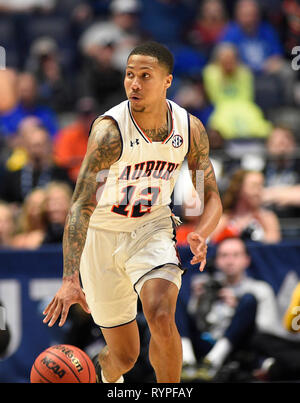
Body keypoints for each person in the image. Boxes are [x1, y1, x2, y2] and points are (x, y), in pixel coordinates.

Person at [42, 41, 223, 383]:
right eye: (129, 75)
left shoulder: (189, 130)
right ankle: (105, 377)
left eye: (145, 76)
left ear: (167, 81)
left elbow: (210, 196)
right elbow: (80, 205)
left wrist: (203, 232)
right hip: (103, 235)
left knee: (160, 314)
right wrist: (69, 279)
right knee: (123, 357)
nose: (134, 84)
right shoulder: (109, 132)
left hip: (152, 228)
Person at [181, 237, 280, 382]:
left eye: (236, 255)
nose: (229, 261)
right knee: (173, 298)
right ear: (217, 260)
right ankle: (187, 360)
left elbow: (267, 331)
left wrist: (237, 309)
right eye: (224, 255)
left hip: (238, 348)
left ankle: (215, 359)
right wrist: (199, 301)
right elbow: (194, 324)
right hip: (206, 343)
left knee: (249, 300)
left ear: (247, 260)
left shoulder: (260, 289)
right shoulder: (208, 285)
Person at [211, 169, 281, 243]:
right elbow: (213, 245)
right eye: (254, 186)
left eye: (262, 186)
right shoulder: (223, 220)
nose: (259, 192)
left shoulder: (268, 218)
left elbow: (273, 246)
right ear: (238, 188)